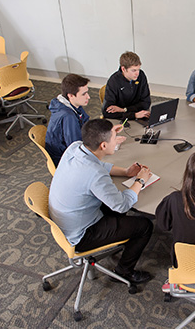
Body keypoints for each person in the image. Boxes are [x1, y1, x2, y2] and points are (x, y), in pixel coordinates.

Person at [49, 119, 153, 284]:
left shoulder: (75, 147)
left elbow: (100, 165)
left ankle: (120, 237)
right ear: (103, 145)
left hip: (67, 220)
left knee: (115, 201)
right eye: (114, 138)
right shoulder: (95, 174)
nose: (116, 141)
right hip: (81, 234)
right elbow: (122, 205)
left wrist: (126, 172)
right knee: (145, 226)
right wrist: (140, 181)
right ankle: (123, 272)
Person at [45, 74, 91, 166]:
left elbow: (86, 123)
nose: (88, 97)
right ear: (70, 95)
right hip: (65, 160)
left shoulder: (74, 105)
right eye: (83, 94)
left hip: (68, 151)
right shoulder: (68, 116)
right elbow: (75, 147)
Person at [102, 51, 151, 120]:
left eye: (138, 69)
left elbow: (146, 103)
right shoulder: (113, 81)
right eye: (133, 70)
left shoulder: (141, 76)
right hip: (122, 119)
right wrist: (134, 115)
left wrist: (124, 110)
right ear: (123, 69)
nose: (137, 73)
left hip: (136, 114)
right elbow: (107, 113)